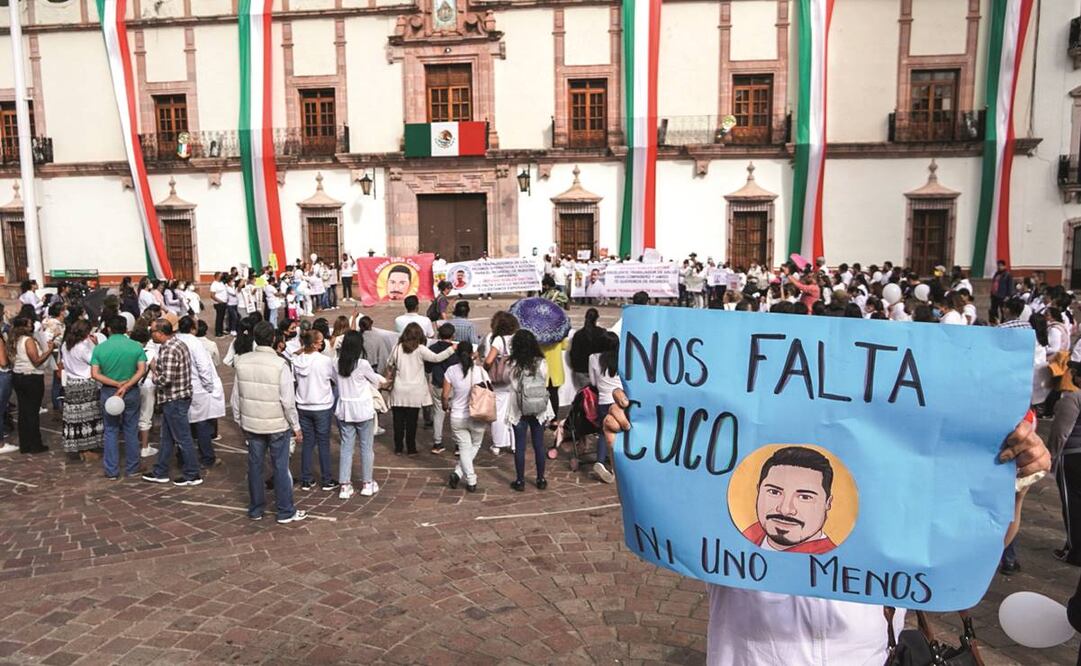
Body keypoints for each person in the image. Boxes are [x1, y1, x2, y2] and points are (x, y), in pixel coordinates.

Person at [602, 393, 1050, 664]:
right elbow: (657, 512)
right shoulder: (724, 534)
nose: (786, 508)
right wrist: (633, 449)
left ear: (830, 504)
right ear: (753, 494)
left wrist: (1014, 485)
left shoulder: (888, 517)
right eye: (773, 492)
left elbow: (977, 546)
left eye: (806, 497)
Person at [232, 322, 307, 524]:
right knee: (280, 467)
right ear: (273, 339)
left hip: (252, 423)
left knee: (255, 466)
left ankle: (256, 508)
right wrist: (296, 426)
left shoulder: (242, 361)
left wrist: (240, 420)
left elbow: (235, 397)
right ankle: (285, 510)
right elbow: (288, 401)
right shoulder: (279, 364)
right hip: (276, 424)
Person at [142, 319, 202, 486]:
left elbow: (166, 378)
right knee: (167, 437)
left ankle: (192, 473)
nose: (151, 334)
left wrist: (154, 373)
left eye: (153, 331)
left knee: (183, 438)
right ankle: (160, 470)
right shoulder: (178, 344)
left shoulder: (169, 349)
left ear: (160, 333)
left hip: (174, 398)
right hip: (176, 397)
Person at [91, 316, 148, 479]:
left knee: (110, 430)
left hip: (109, 391)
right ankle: (132, 467)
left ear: (108, 329)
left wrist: (116, 384)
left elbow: (95, 374)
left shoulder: (100, 349)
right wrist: (126, 385)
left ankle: (111, 470)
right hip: (130, 391)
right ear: (126, 329)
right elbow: (141, 370)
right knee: (131, 429)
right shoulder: (135, 347)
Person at [387, 323, 456, 455]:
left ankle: (398, 447)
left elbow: (389, 363)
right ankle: (411, 447)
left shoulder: (397, 348)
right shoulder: (420, 349)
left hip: (399, 389)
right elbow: (436, 358)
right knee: (412, 421)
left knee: (398, 421)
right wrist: (451, 349)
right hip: (415, 390)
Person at [335, 330, 385, 500]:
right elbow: (375, 380)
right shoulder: (362, 364)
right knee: (366, 447)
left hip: (345, 409)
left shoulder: (336, 363)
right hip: (363, 409)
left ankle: (344, 485)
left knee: (346, 447)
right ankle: (367, 483)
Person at [505, 329, 552, 491]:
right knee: (539, 445)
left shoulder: (512, 363)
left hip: (518, 407)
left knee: (520, 446)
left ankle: (520, 481)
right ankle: (541, 479)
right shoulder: (541, 362)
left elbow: (509, 382)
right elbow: (546, 380)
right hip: (539, 406)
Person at [177, 316, 225, 471]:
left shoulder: (176, 341)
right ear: (192, 328)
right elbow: (203, 367)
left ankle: (183, 456)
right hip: (199, 389)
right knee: (202, 424)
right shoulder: (195, 343)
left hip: (182, 388)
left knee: (185, 426)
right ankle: (207, 457)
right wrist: (209, 386)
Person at [292, 328, 338, 491]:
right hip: (321, 405)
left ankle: (306, 478)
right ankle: (326, 479)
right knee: (323, 442)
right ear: (315, 344)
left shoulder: (297, 360)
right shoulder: (324, 361)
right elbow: (335, 377)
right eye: (320, 341)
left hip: (303, 405)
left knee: (308, 443)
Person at [444, 341, 489, 492]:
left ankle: (462, 475)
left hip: (457, 415)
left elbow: (445, 396)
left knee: (464, 447)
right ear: (471, 353)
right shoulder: (480, 371)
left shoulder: (451, 370)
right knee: (474, 445)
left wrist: (445, 405)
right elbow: (489, 389)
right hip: (478, 414)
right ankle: (468, 478)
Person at [59, 319, 103, 461]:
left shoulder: (66, 345)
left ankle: (80, 447)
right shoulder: (82, 348)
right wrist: (96, 346)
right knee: (87, 418)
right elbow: (95, 360)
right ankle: (87, 449)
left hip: (72, 384)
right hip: (85, 384)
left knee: (76, 419)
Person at [10, 316, 54, 454]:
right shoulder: (27, 340)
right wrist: (49, 350)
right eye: (29, 324)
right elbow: (36, 360)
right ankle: (35, 444)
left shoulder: (14, 340)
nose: (31, 327)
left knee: (24, 411)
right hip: (31, 377)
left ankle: (25, 443)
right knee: (32, 412)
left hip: (19, 375)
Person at [483, 311, 519, 455]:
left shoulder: (498, 340)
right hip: (514, 379)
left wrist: (486, 369)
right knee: (514, 413)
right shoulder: (517, 339)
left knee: (498, 412)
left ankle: (498, 444)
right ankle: (515, 444)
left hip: (499, 381)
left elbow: (488, 361)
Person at [589, 331, 620, 483]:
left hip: (603, 399)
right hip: (619, 400)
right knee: (619, 433)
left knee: (603, 432)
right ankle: (616, 466)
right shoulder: (623, 358)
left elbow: (593, 382)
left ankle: (600, 461)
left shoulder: (593, 358)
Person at [426, 323, 456, 454]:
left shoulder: (432, 348)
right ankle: (457, 445)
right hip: (454, 387)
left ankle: (437, 443)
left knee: (438, 415)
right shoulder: (456, 350)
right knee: (456, 415)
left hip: (438, 384)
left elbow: (427, 367)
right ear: (453, 335)